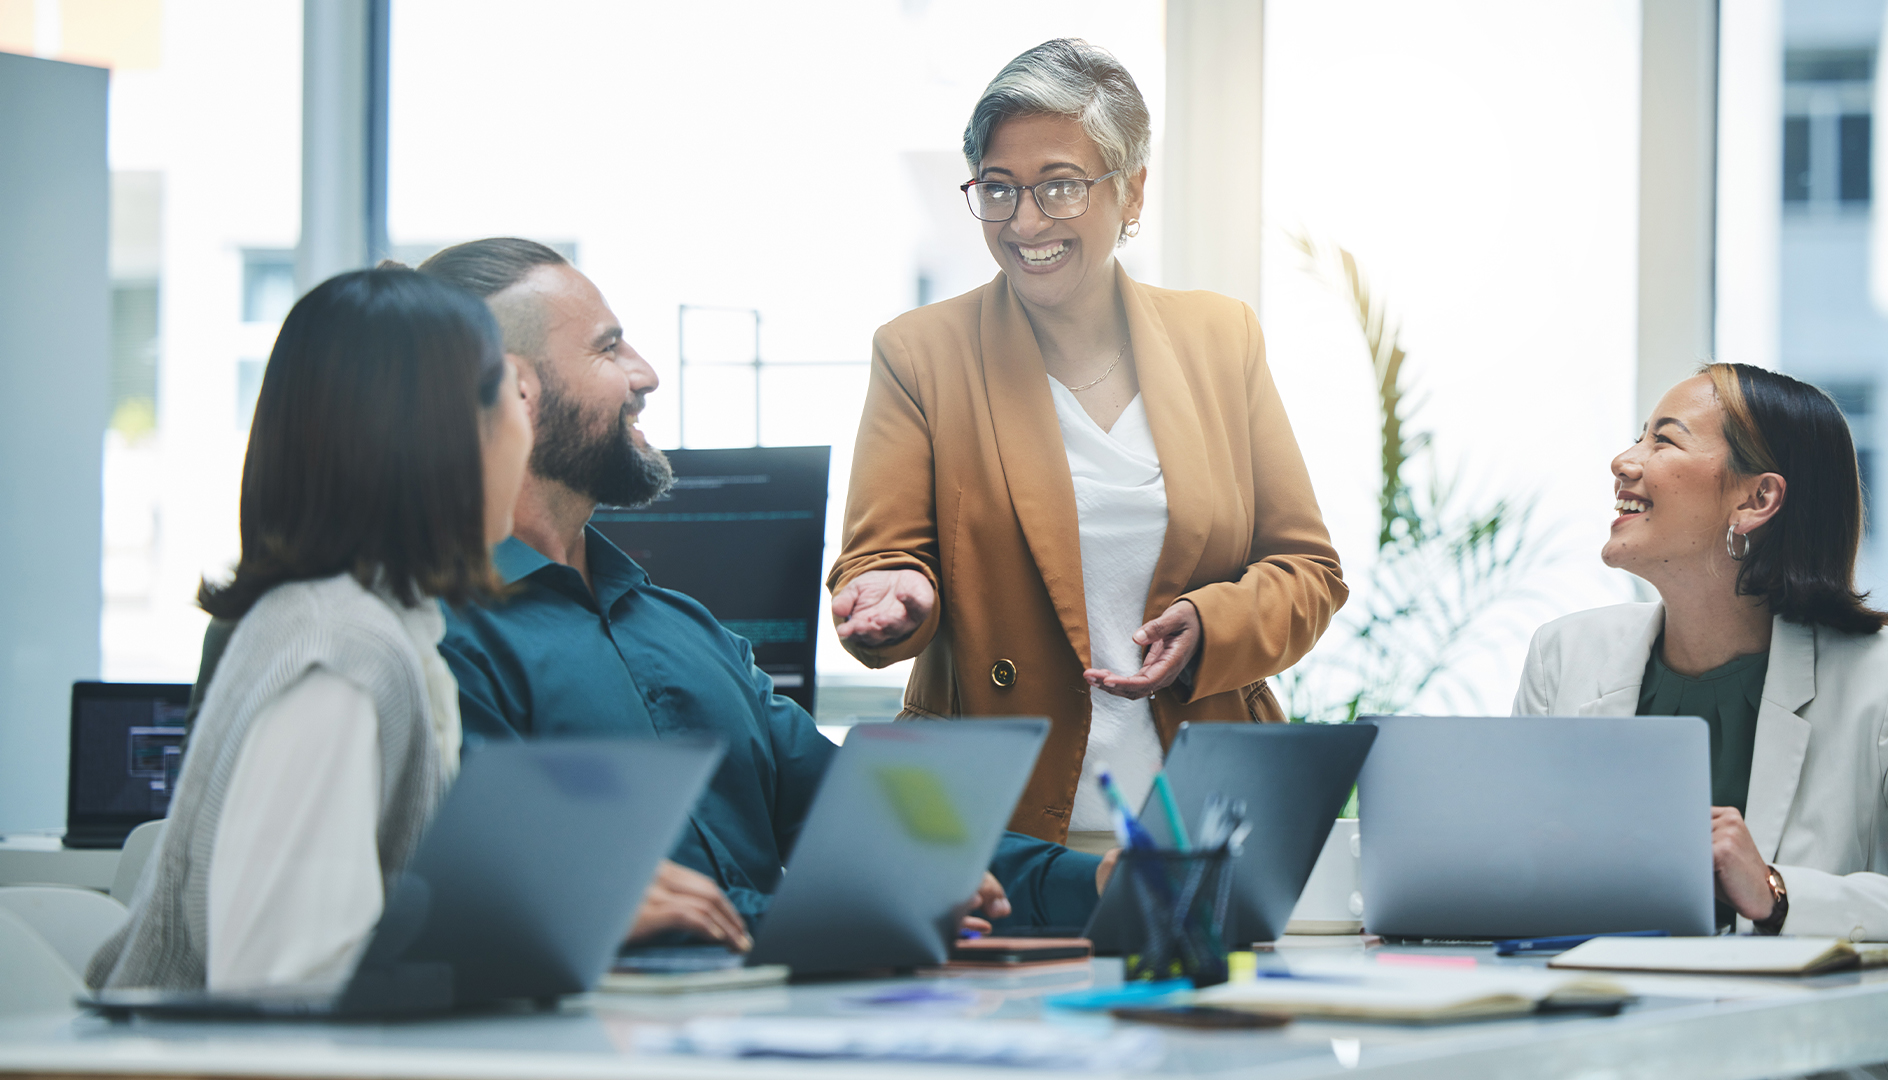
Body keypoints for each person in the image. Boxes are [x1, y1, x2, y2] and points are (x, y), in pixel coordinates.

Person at [419, 238, 1109, 935]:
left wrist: (1102, 884)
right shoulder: (440, 644)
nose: (646, 374)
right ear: (516, 389)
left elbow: (866, 820)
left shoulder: (685, 629)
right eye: (609, 349)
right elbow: (521, 898)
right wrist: (885, 899)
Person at [827, 38, 1346, 852]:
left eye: (1059, 186)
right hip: (998, 831)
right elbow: (880, 562)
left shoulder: (1221, 338)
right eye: (998, 189)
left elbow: (1308, 572)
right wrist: (898, 596)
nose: (1025, 222)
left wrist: (1210, 623)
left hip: (1207, 819)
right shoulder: (920, 352)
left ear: (1132, 189)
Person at [88, 268, 537, 990]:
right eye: (514, 394)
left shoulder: (364, 622)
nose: (527, 425)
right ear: (446, 432)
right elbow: (280, 989)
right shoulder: (340, 651)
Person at [1514, 363, 1888, 939]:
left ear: (1757, 499)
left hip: (1788, 1026)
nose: (1623, 462)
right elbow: (1514, 870)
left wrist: (1776, 891)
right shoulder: (1563, 654)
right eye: (1639, 436)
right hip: (1595, 1013)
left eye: (1664, 439)